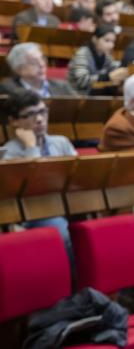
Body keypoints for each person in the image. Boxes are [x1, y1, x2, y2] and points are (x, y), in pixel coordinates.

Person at [1, 90, 74, 256]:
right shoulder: (7, 154)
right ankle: (74, 282)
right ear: (14, 121)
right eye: (30, 115)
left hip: (66, 206)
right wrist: (31, 148)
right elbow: (33, 188)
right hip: (32, 215)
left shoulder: (61, 142)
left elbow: (78, 178)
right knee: (63, 234)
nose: (39, 119)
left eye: (42, 111)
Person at [67, 24, 129, 94]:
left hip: (95, 94)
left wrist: (121, 71)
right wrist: (108, 77)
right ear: (95, 39)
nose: (111, 45)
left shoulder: (106, 56)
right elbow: (82, 81)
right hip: (77, 95)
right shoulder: (82, 54)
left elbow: (113, 68)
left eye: (113, 41)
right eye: (107, 40)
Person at [0, 43, 76, 97]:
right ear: (19, 69)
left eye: (42, 59)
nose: (42, 64)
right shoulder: (9, 90)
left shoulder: (62, 86)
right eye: (34, 62)